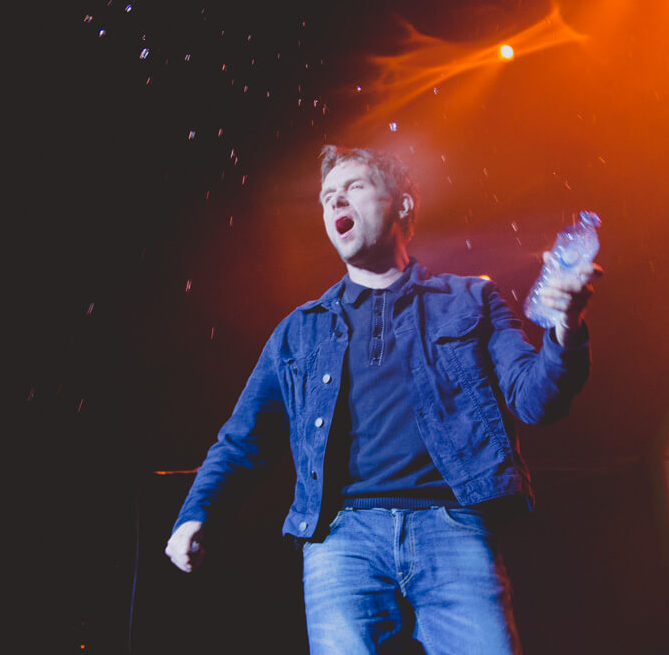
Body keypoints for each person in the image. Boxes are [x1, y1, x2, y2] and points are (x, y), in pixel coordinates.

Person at [166, 145, 598, 654]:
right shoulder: (299, 332)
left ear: (403, 204)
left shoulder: (471, 300)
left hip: (452, 527)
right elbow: (242, 439)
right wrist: (197, 512)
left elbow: (535, 400)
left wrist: (567, 328)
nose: (335, 203)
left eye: (353, 188)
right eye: (327, 197)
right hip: (342, 541)